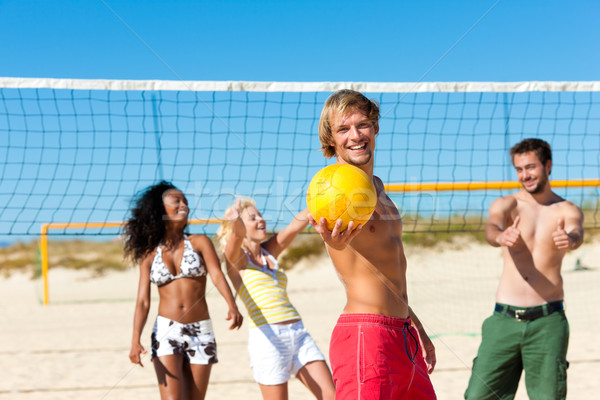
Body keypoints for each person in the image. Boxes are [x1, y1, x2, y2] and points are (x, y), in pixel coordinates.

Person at [309, 89, 437, 399]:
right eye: (343, 129)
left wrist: (415, 326)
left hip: (403, 334)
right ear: (331, 140)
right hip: (366, 337)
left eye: (362, 124)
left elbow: (386, 273)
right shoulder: (332, 187)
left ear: (375, 127)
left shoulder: (377, 186)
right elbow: (335, 242)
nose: (355, 135)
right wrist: (333, 243)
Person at [464, 138, 584, 400]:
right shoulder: (507, 205)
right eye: (519, 169)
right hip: (503, 320)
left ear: (547, 165)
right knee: (476, 396)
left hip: (548, 321)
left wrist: (570, 239)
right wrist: (501, 237)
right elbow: (492, 228)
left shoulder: (567, 209)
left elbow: (577, 231)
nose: (525, 175)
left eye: (531, 167)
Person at [123, 181, 243, 400]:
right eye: (176, 201)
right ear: (161, 209)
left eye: (185, 201)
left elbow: (216, 274)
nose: (183, 205)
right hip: (166, 331)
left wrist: (231, 304)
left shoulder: (199, 242)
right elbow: (142, 301)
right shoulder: (149, 254)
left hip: (201, 331)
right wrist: (135, 339)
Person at [215, 197, 335, 400]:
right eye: (253, 217)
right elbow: (235, 239)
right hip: (268, 339)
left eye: (260, 214)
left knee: (333, 396)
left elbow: (295, 225)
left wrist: (319, 198)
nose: (261, 219)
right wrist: (236, 222)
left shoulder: (269, 252)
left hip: (299, 333)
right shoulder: (236, 260)